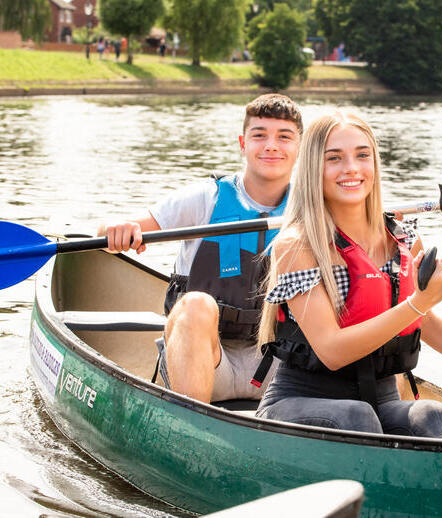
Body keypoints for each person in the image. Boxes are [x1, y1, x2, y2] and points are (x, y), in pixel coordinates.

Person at [252, 112, 442, 438]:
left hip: (380, 400)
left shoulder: (402, 237)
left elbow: (424, 322)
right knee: (357, 416)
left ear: (375, 164)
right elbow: (332, 352)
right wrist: (419, 303)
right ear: (313, 170)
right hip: (300, 401)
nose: (351, 167)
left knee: (432, 414)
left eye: (362, 155)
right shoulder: (297, 246)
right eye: (334, 158)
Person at [98, 94, 303, 404]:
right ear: (242, 143)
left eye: (284, 137)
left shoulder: (312, 208)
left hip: (279, 369)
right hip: (206, 362)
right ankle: (193, 428)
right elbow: (107, 234)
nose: (271, 145)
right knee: (195, 305)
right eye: (259, 135)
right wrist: (119, 231)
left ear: (300, 147)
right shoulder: (204, 198)